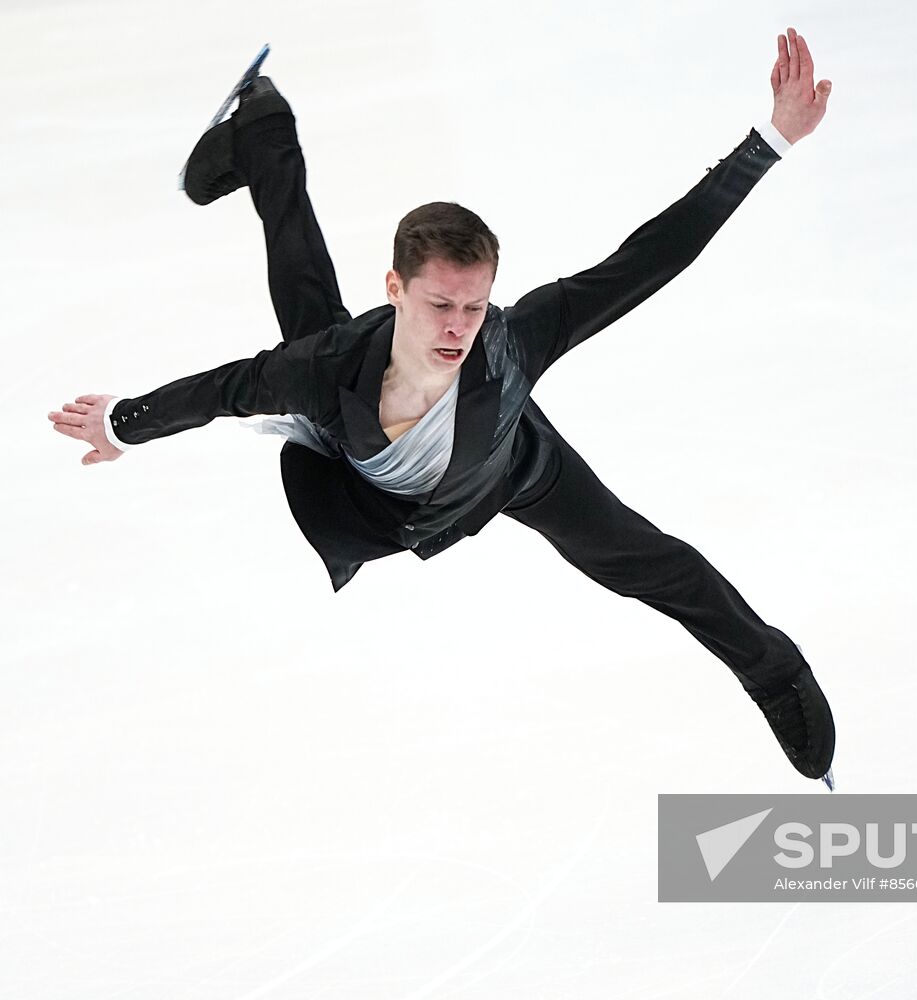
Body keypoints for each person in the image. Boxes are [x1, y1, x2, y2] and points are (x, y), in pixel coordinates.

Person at [48, 28, 838, 787]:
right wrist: (123, 423)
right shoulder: (325, 371)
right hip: (367, 479)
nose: (460, 328)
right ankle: (264, 128)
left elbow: (650, 256)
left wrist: (769, 140)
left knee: (644, 560)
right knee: (301, 297)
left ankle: (775, 673)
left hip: (517, 466)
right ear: (396, 290)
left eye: (474, 305)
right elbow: (223, 389)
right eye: (440, 306)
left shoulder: (512, 346)